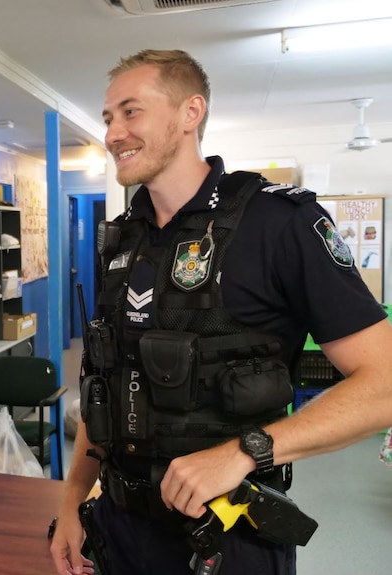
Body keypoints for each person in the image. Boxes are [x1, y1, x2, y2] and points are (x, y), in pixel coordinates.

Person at [50, 49, 392, 575]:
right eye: (108, 118)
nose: (114, 133)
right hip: (118, 532)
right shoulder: (123, 237)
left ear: (191, 113)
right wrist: (73, 498)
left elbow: (384, 384)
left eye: (131, 111)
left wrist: (244, 452)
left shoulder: (278, 223)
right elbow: (105, 380)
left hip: (228, 542)